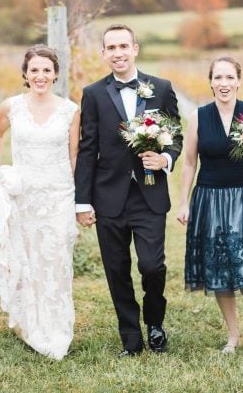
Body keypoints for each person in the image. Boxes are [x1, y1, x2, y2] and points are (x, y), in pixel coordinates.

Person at [74, 23, 182, 357]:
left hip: (149, 194)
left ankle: (155, 323)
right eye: (111, 48)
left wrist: (164, 158)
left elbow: (175, 134)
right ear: (103, 53)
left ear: (135, 48)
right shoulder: (93, 94)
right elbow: (87, 148)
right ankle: (130, 338)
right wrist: (82, 201)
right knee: (116, 270)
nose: (118, 53)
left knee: (152, 266)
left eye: (124, 46)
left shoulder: (160, 88)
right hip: (109, 197)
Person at [176, 57, 243, 353]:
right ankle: (233, 335)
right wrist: (183, 203)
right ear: (210, 81)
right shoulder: (199, 116)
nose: (223, 83)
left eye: (229, 78)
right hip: (210, 197)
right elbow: (188, 163)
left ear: (238, 81)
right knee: (219, 267)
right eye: (218, 78)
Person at [0, 45, 80, 360]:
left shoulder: (70, 110)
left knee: (56, 259)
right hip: (23, 196)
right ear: (25, 73)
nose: (40, 76)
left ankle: (56, 325)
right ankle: (30, 322)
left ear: (55, 74)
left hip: (58, 196)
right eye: (34, 70)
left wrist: (75, 195)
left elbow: (74, 155)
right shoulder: (12, 106)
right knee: (28, 258)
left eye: (46, 70)